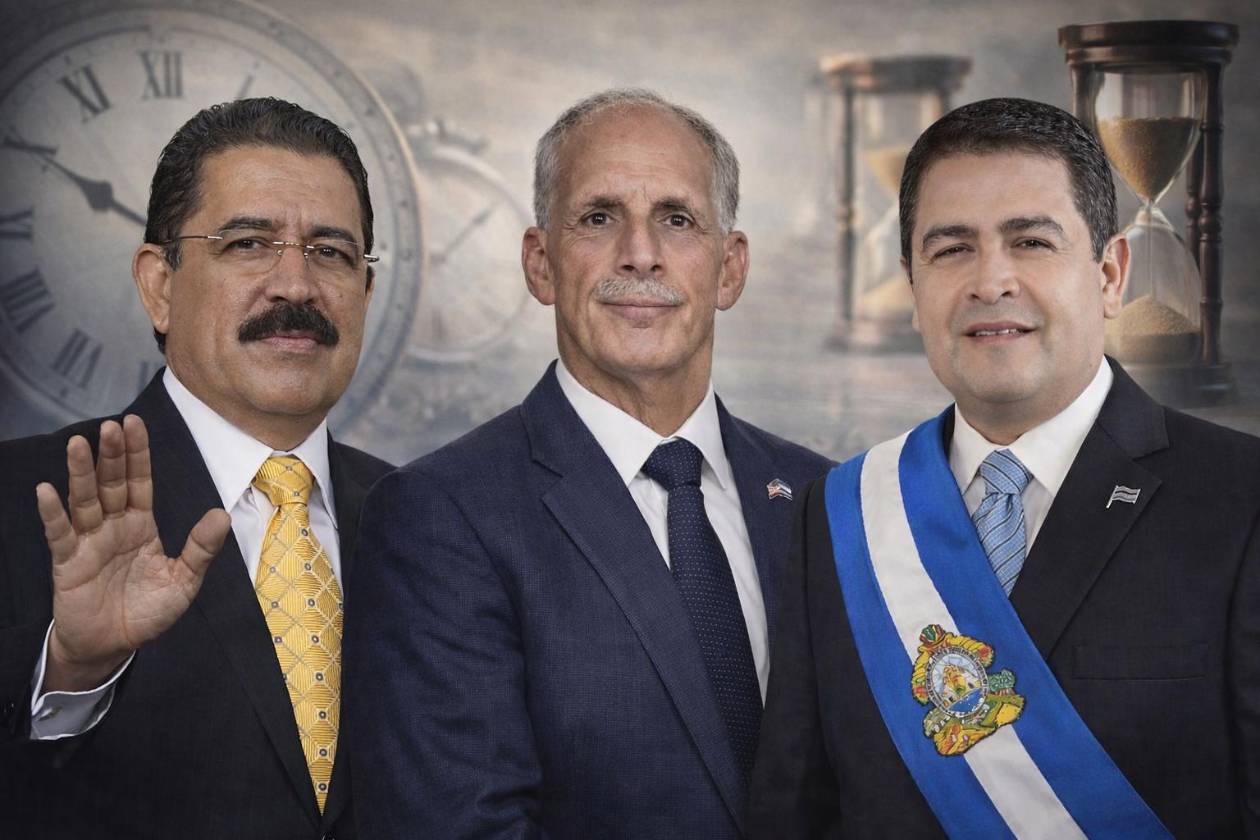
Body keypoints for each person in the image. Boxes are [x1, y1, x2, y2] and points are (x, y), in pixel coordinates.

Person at [748, 97, 1260, 838]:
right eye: (952, 249)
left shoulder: (1239, 499)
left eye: (1031, 242)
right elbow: (793, 813)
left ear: (1111, 273)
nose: (991, 282)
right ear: (912, 288)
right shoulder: (839, 512)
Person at [345, 88, 832, 839]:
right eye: (599, 218)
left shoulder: (824, 499)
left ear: (730, 269)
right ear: (540, 264)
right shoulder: (441, 516)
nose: (640, 252)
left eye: (677, 219)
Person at [0, 97, 392, 839]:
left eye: (331, 253)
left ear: (365, 293)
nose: (296, 285)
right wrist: (73, 673)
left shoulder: (425, 519)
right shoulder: (25, 501)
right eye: (248, 243)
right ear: (160, 284)